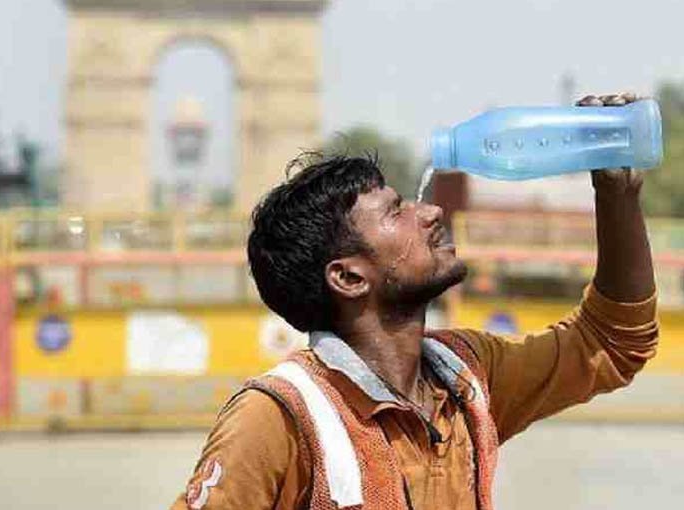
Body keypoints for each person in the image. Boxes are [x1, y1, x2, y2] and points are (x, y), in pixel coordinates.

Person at [172, 93, 659, 510]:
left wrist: (616, 196)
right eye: (395, 211)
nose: (430, 212)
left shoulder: (468, 378)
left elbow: (612, 343)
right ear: (348, 276)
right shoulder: (280, 418)